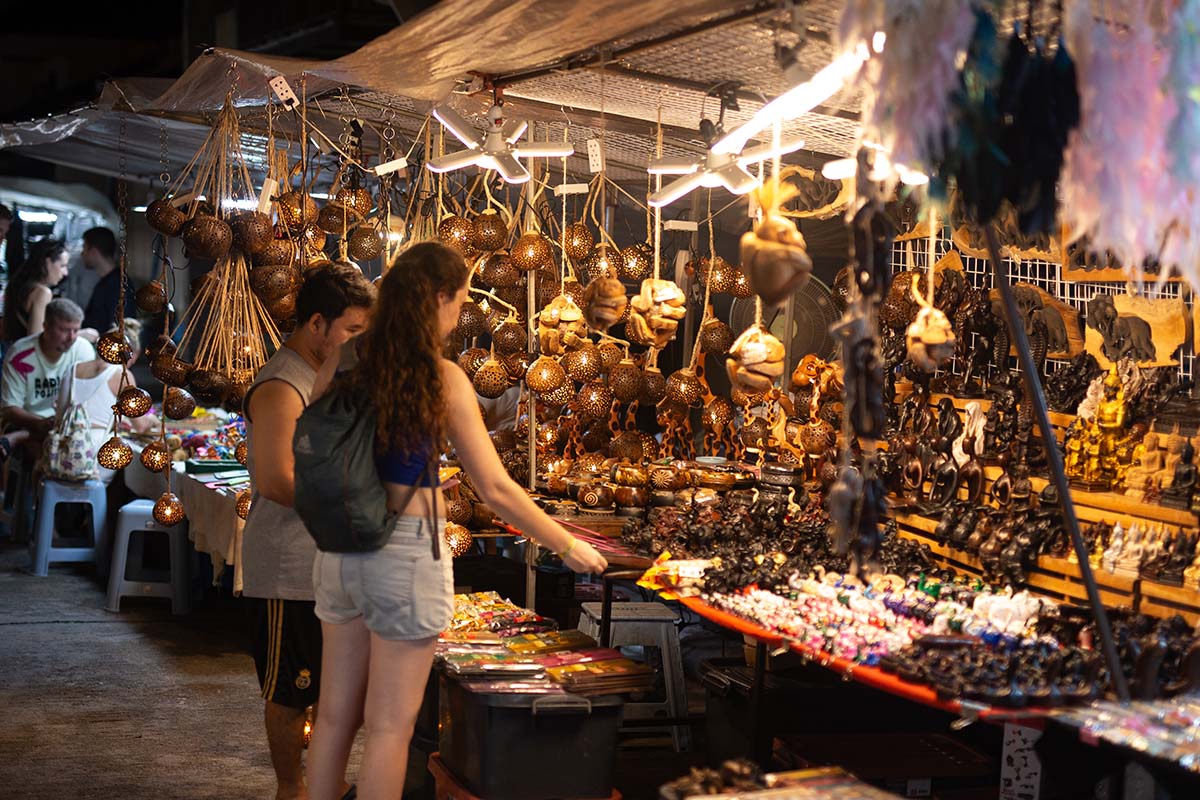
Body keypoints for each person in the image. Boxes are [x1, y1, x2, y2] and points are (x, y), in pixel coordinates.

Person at [305, 242, 608, 800]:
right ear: (441, 298)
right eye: (459, 301)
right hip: (402, 555)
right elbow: (495, 488)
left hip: (338, 549)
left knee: (333, 718)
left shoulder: (344, 358)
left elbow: (332, 449)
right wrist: (566, 544)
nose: (457, 314)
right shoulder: (440, 377)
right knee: (391, 727)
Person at [241, 263, 376, 800]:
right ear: (317, 323)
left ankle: (326, 781)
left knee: (336, 688)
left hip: (332, 562)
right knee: (291, 688)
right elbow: (276, 479)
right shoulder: (282, 384)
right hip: (289, 568)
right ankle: (291, 789)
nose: (359, 344)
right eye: (352, 331)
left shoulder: (330, 376)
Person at [53, 318, 158, 483]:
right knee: (123, 466)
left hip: (60, 451)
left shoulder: (73, 368)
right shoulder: (122, 374)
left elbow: (60, 416)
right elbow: (141, 425)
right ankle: (105, 508)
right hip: (90, 454)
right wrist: (153, 419)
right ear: (130, 354)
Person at [0, 298, 95, 460]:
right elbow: (9, 409)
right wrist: (40, 423)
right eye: (64, 330)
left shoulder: (83, 349)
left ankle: (22, 436)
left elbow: (88, 397)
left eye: (76, 330)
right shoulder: (20, 355)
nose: (71, 337)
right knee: (47, 456)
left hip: (69, 422)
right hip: (30, 419)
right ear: (45, 327)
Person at [2, 239, 70, 344]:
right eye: (62, 266)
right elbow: (36, 338)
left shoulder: (17, 284)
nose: (66, 272)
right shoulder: (42, 292)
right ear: (47, 262)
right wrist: (76, 335)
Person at [80, 227, 136, 336]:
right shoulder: (107, 283)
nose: (82, 254)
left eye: (84, 248)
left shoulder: (117, 285)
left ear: (94, 252)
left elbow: (118, 328)